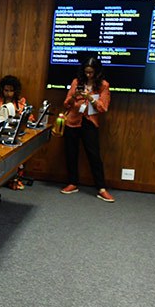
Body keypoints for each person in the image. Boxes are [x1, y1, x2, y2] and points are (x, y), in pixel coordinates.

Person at [61, 57, 113, 202]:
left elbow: (103, 107)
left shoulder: (103, 85)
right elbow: (66, 103)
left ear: (97, 72)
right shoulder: (76, 82)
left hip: (90, 122)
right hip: (73, 121)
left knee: (94, 155)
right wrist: (75, 97)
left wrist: (90, 98)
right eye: (86, 72)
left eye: (91, 73)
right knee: (71, 152)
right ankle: (72, 183)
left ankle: (101, 188)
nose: (88, 75)